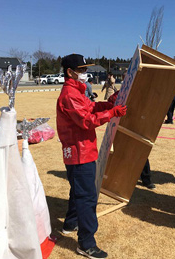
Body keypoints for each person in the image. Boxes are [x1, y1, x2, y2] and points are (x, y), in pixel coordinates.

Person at [56, 53, 127, 259]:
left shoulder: (76, 92)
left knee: (77, 191)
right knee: (87, 198)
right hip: (80, 153)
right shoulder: (69, 95)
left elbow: (92, 107)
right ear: (70, 72)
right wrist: (112, 113)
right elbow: (87, 120)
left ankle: (70, 224)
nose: (85, 74)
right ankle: (86, 243)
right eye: (82, 70)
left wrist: (112, 103)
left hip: (82, 150)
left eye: (86, 70)